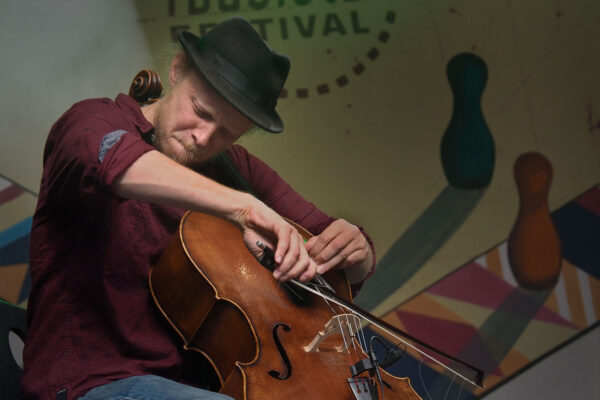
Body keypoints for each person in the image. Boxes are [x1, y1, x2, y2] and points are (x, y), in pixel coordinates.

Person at [22, 16, 375, 400]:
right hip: (89, 382)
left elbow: (328, 241)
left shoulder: (239, 170)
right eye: (201, 112)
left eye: (226, 132)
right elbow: (116, 162)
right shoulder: (93, 120)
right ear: (176, 71)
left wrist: (355, 252)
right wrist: (242, 208)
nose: (203, 138)